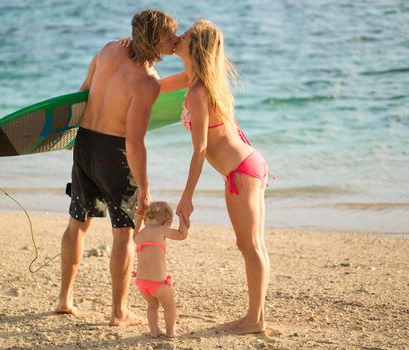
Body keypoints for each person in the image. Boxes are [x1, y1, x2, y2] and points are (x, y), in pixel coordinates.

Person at [55, 9, 179, 328]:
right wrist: (145, 189)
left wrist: (70, 137)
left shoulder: (109, 49)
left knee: (77, 222)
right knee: (123, 234)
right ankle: (119, 312)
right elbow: (134, 142)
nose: (175, 40)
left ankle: (64, 299)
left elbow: (81, 94)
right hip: (114, 154)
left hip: (84, 143)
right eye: (169, 36)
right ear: (153, 40)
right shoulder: (147, 82)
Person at [155, 19, 271, 334]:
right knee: (253, 245)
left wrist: (187, 197)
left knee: (249, 246)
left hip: (240, 171)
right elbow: (154, 87)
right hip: (248, 164)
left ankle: (254, 320)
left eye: (186, 34)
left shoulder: (198, 90)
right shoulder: (197, 79)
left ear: (195, 46)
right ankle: (255, 318)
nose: (179, 36)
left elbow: (201, 149)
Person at [132, 201, 188, 337]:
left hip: (141, 283)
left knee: (152, 306)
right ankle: (171, 332)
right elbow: (182, 234)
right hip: (158, 283)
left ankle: (154, 331)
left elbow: (134, 236)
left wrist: (138, 219)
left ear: (146, 218)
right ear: (167, 221)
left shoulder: (140, 235)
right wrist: (183, 217)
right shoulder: (162, 229)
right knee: (169, 306)